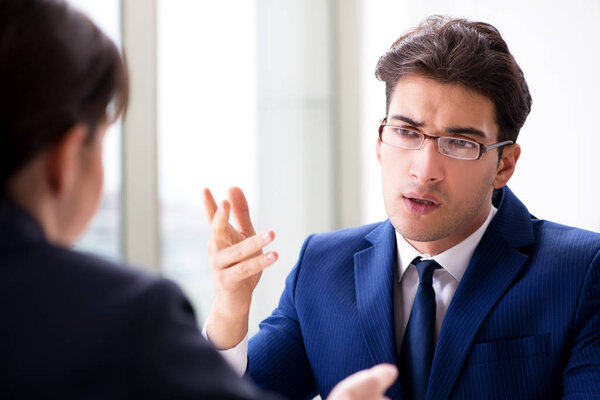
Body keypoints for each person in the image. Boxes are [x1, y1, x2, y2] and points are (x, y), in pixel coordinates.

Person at [0, 0, 398, 398]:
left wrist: (229, 306)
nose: (424, 169)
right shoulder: (126, 315)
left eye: (458, 142)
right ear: (65, 160)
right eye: (102, 143)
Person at [203, 15, 600, 400]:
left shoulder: (581, 272)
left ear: (504, 165)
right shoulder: (322, 267)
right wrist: (229, 311)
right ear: (379, 142)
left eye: (460, 143)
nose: (424, 171)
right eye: (406, 132)